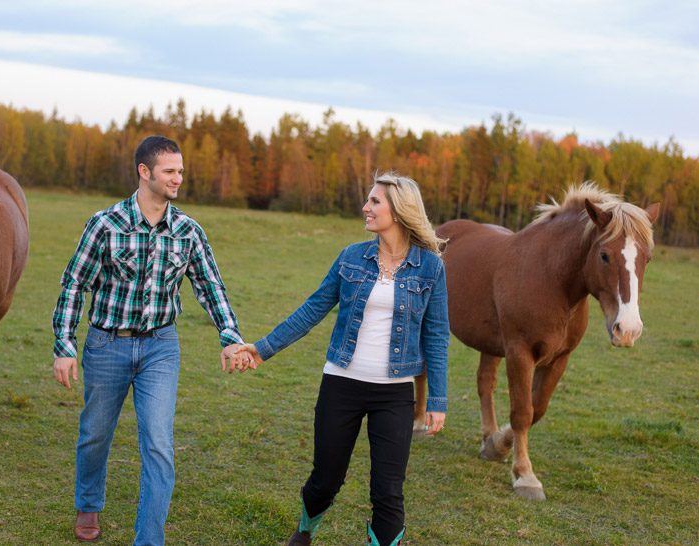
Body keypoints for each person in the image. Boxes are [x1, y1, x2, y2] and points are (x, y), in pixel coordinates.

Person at [227, 172, 449, 546]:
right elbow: (312, 309)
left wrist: (438, 399)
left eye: (374, 201)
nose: (366, 207)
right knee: (326, 478)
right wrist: (262, 349)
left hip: (394, 393)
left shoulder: (430, 267)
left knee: (388, 491)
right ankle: (305, 530)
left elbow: (437, 335)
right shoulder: (351, 258)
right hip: (341, 384)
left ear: (399, 210)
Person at [52, 135, 249, 545]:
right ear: (145, 172)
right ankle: (89, 502)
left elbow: (211, 287)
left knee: (159, 443)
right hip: (107, 345)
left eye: (181, 170)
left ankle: (149, 539)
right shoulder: (105, 224)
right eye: (170, 171)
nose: (179, 178)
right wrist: (65, 346)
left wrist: (229, 336)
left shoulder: (188, 231)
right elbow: (74, 284)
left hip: (161, 347)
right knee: (95, 434)